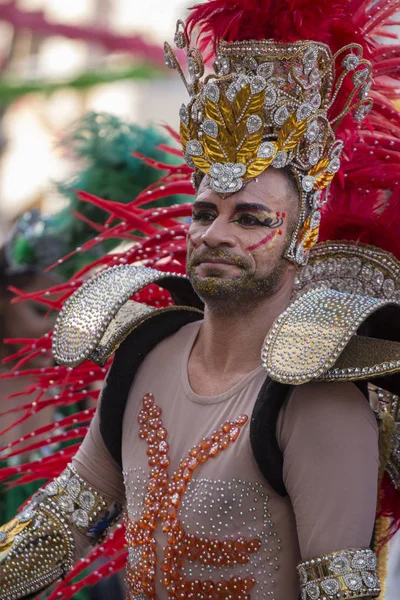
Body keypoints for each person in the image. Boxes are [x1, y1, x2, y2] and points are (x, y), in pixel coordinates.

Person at [1, 0, 400, 599]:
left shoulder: (317, 401)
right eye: (205, 212)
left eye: (250, 218)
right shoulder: (145, 352)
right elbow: (62, 522)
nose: (216, 233)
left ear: (301, 236)